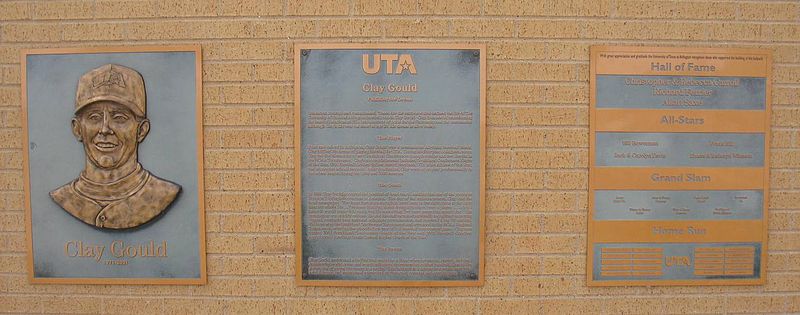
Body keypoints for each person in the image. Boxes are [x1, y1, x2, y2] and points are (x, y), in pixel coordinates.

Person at [50, 64, 181, 229]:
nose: (105, 129)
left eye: (119, 117)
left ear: (141, 130)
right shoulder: (63, 197)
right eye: (94, 117)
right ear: (77, 129)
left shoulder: (161, 195)